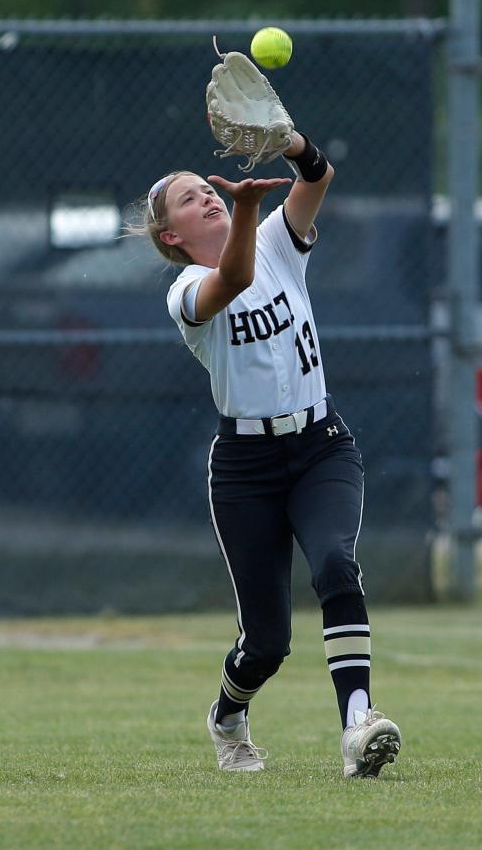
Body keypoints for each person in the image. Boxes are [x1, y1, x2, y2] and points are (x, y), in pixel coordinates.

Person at [135, 126, 402, 778]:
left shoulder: (281, 241)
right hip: (246, 471)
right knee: (267, 642)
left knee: (338, 565)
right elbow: (232, 280)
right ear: (171, 235)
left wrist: (289, 141)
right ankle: (228, 716)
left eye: (209, 189)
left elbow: (317, 178)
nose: (207, 198)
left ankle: (358, 725)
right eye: (191, 200)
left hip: (321, 446)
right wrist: (249, 205)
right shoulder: (186, 291)